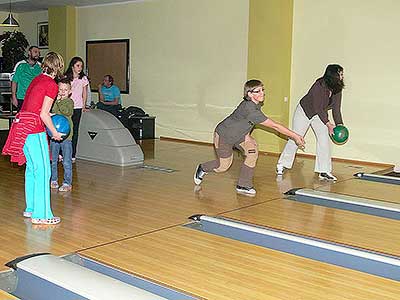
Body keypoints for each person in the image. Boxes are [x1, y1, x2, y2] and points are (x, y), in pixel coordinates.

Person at [194, 79, 305, 196]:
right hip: (224, 136)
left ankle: (243, 185)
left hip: (240, 135)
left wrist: (247, 135)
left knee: (252, 152)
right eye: (257, 91)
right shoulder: (250, 109)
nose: (262, 93)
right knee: (223, 166)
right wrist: (295, 136)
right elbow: (275, 126)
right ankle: (202, 168)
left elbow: (246, 122)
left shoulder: (255, 105)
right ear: (250, 94)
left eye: (262, 90)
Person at [2, 52, 65, 225]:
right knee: (44, 171)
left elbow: (33, 107)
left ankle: (30, 209)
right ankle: (43, 214)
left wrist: (50, 117)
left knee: (32, 169)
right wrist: (54, 132)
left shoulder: (36, 80)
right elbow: (43, 114)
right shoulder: (51, 84)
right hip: (33, 128)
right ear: (59, 67)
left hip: (20, 125)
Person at [276, 64, 345, 181]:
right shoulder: (319, 85)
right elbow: (317, 107)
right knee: (296, 137)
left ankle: (324, 171)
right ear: (333, 75)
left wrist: (340, 125)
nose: (342, 76)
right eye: (340, 74)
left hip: (319, 115)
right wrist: (328, 124)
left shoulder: (337, 88)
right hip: (305, 111)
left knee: (324, 140)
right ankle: (282, 164)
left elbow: (336, 108)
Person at [50, 77, 74, 192]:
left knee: (67, 161)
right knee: (53, 159)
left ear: (70, 92)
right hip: (54, 135)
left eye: (65, 90)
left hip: (66, 137)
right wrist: (56, 101)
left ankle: (67, 182)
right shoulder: (54, 101)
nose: (62, 92)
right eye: (60, 89)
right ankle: (53, 179)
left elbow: (66, 111)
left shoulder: (69, 102)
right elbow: (52, 110)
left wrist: (58, 101)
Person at [64, 57, 89, 163]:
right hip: (67, 107)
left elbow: (85, 93)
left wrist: (84, 105)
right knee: (65, 129)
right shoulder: (66, 77)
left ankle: (73, 154)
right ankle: (62, 153)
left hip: (77, 107)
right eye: (78, 65)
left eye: (81, 66)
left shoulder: (83, 79)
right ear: (72, 66)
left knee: (75, 131)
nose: (80, 68)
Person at [11, 46, 42, 111]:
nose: (37, 54)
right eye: (35, 52)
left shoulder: (40, 67)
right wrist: (14, 97)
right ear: (29, 53)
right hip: (22, 98)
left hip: (35, 98)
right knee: (22, 117)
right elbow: (14, 81)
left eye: (39, 53)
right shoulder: (20, 65)